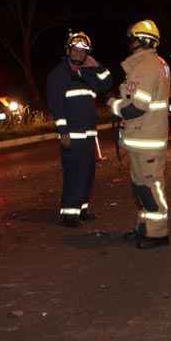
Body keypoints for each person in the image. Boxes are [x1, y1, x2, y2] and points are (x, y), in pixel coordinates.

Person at [110, 20, 171, 249]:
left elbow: (136, 107)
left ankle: (157, 233)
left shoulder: (147, 67)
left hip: (147, 139)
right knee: (141, 187)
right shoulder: (153, 64)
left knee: (150, 187)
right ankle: (145, 226)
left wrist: (113, 105)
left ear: (142, 40)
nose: (130, 43)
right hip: (143, 137)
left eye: (133, 38)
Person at [46, 30, 113, 227]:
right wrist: (63, 131)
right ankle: (69, 214)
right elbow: (56, 105)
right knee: (74, 173)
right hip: (72, 135)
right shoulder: (59, 74)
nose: (78, 53)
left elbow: (107, 82)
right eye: (74, 49)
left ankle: (82, 209)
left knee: (87, 172)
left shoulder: (88, 72)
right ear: (68, 50)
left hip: (89, 134)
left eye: (82, 51)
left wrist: (96, 65)